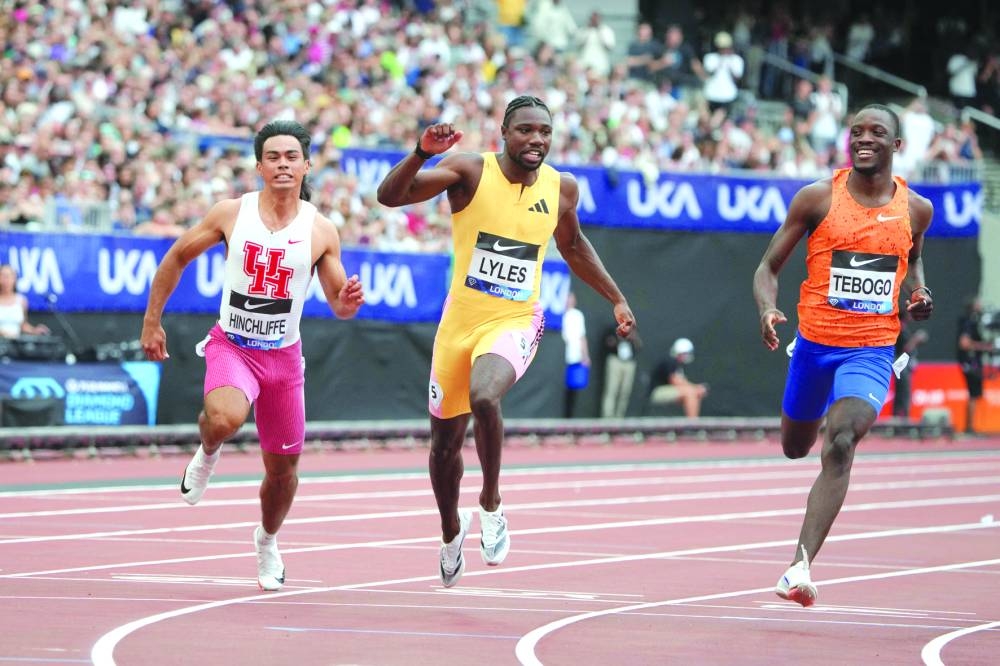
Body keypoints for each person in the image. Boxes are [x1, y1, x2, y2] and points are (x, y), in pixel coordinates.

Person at [376, 95, 636, 587]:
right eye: (525, 130)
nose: (536, 139)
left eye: (544, 131)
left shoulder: (563, 187)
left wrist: (616, 298)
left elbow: (574, 245)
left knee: (485, 394)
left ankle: (491, 501)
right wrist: (420, 152)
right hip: (458, 325)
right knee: (443, 449)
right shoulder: (470, 171)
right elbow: (391, 196)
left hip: (515, 318)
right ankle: (451, 531)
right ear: (504, 133)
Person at [139, 120, 365, 592]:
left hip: (283, 359)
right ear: (259, 165)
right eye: (274, 157)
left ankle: (267, 539)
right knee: (224, 418)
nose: (283, 164)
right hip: (233, 345)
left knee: (282, 475)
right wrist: (151, 321)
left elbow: (336, 300)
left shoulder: (320, 229)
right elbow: (177, 255)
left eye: (291, 157)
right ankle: (206, 453)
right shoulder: (231, 213)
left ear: (306, 165)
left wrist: (347, 301)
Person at [753, 104, 935, 607]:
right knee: (796, 446)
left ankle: (799, 566)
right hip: (813, 346)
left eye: (878, 132)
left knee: (842, 441)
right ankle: (807, 419)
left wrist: (917, 293)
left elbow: (913, 256)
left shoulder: (916, 209)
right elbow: (768, 266)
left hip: (872, 349)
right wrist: (767, 308)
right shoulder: (817, 198)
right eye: (856, 131)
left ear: (897, 146)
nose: (864, 138)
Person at [956, 296, 994, 433]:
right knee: (973, 393)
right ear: (973, 305)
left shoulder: (974, 321)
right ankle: (969, 427)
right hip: (970, 363)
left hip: (973, 362)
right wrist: (984, 346)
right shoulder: (968, 322)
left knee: (975, 394)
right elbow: (964, 343)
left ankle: (971, 426)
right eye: (978, 303)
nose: (981, 305)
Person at [647, 337, 707, 417]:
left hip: (665, 390)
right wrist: (695, 387)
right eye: (686, 353)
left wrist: (695, 389)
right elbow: (675, 381)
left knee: (693, 392)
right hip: (656, 393)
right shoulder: (670, 360)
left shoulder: (677, 364)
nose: (687, 356)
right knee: (690, 392)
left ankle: (691, 422)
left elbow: (681, 381)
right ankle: (693, 426)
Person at [892, 308, 929, 419]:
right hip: (899, 362)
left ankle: (902, 417)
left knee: (904, 391)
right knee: (903, 391)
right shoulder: (899, 327)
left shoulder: (904, 328)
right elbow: (905, 349)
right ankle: (901, 418)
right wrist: (916, 339)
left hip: (903, 362)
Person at [0, 264, 50, 339]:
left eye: (9, 276)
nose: (6, 280)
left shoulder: (21, 300)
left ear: (15, 279)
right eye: (3, 276)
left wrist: (34, 330)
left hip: (15, 344)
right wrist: (4, 334)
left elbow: (22, 325)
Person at [601, 325, 640, 418]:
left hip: (628, 363)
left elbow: (639, 346)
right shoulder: (612, 329)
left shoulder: (633, 330)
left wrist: (633, 337)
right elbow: (608, 343)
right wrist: (620, 337)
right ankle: (607, 418)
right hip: (616, 361)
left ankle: (619, 418)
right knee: (611, 390)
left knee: (625, 392)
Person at [562, 291, 589, 417]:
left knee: (572, 389)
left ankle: (569, 417)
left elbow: (582, 337)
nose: (569, 300)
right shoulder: (559, 315)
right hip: (561, 358)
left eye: (571, 298)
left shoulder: (578, 315)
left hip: (574, 357)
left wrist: (585, 356)